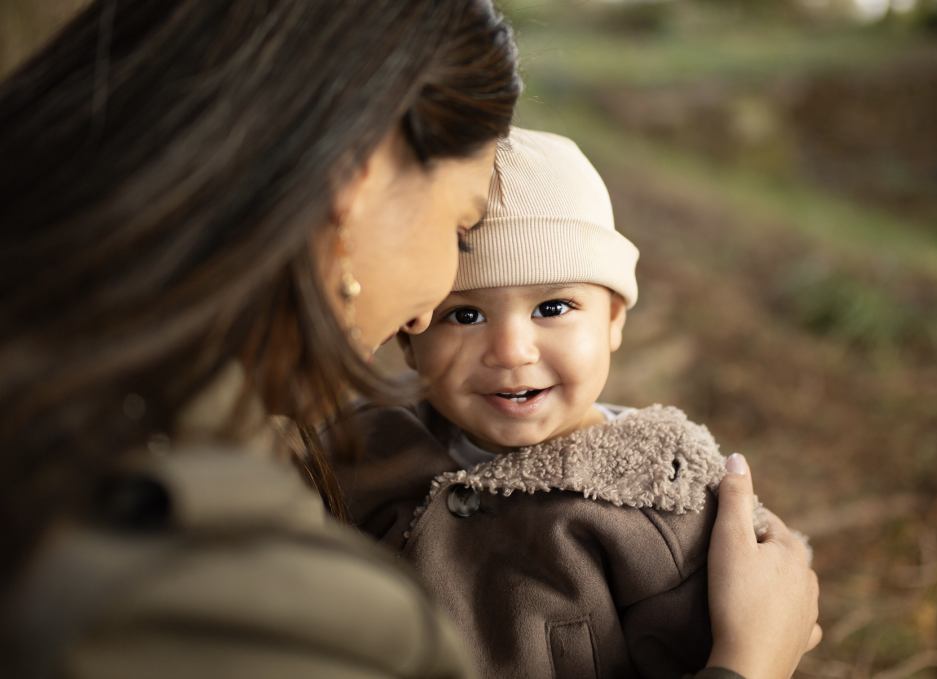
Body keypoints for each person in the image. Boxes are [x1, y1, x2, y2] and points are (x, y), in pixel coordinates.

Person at [0, 0, 820, 677]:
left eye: (554, 308)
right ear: (355, 183)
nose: (428, 310)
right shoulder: (248, 510)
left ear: (616, 315)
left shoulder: (126, 414)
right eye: (460, 228)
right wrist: (750, 666)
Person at [339, 127, 808, 679]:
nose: (512, 351)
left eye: (554, 307)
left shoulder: (663, 500)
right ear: (408, 337)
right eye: (464, 315)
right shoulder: (357, 451)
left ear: (613, 320)